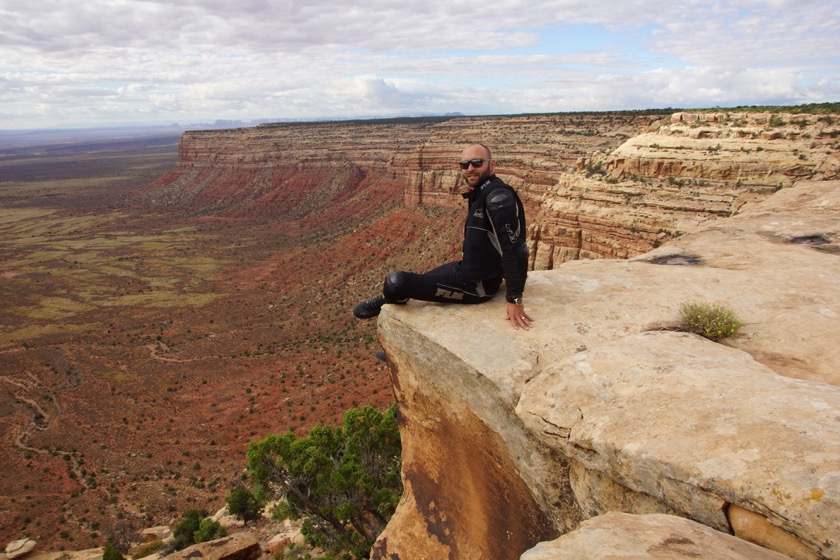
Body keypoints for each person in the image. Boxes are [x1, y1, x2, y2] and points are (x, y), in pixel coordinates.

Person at [352, 143, 532, 330]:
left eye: (477, 163)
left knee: (397, 281)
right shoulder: (481, 191)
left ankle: (387, 302)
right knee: (424, 282)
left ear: (491, 165)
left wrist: (514, 299)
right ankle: (391, 316)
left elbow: (515, 249)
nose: (470, 168)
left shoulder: (497, 197)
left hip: (478, 286)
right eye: (465, 164)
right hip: (468, 270)